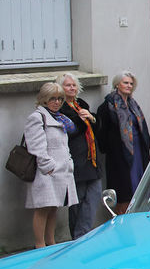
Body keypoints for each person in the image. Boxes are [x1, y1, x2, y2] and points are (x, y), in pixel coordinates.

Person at [24, 83, 79, 249]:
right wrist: (49, 167)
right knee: (43, 209)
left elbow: (63, 145)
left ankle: (51, 242)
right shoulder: (37, 117)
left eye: (59, 99)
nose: (56, 102)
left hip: (60, 171)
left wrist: (67, 163)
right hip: (46, 172)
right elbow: (36, 146)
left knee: (53, 208)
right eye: (52, 99)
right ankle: (40, 245)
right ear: (44, 100)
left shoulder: (59, 117)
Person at [95, 71, 150, 214]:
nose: (129, 86)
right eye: (125, 83)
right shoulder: (108, 106)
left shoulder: (133, 104)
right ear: (117, 84)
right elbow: (102, 134)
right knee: (124, 192)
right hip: (119, 156)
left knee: (139, 189)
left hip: (138, 151)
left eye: (131, 83)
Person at [57, 73, 101, 239]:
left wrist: (92, 118)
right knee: (78, 201)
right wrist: (82, 120)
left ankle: (84, 234)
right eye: (68, 85)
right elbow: (71, 131)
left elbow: (96, 127)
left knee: (94, 198)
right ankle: (78, 237)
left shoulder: (81, 104)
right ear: (61, 88)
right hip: (76, 160)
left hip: (92, 160)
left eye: (74, 85)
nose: (72, 88)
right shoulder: (61, 108)